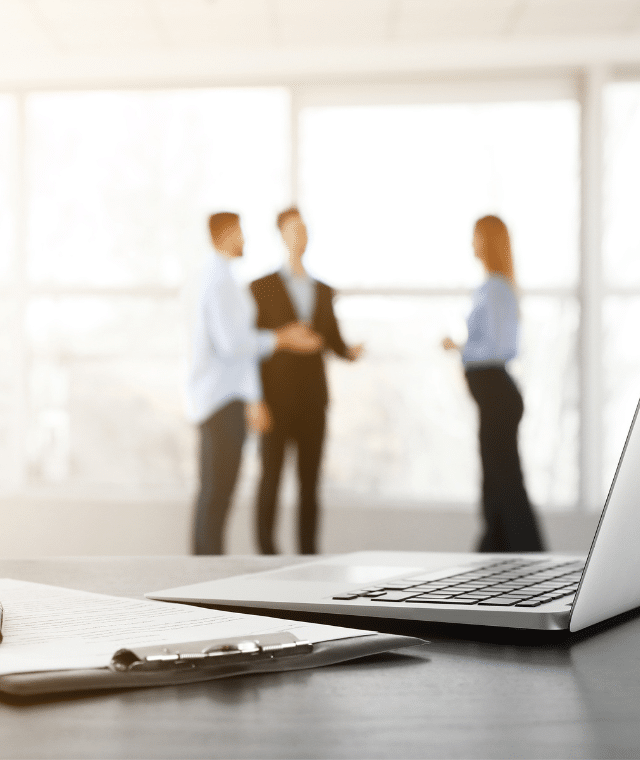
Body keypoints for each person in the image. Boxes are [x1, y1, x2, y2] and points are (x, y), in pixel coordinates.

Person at [188, 211, 322, 555]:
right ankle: (203, 578)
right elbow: (233, 344)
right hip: (221, 398)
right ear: (227, 233)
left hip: (223, 396)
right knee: (217, 493)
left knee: (216, 493)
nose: (244, 240)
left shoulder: (220, 279)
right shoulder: (218, 282)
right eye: (241, 233)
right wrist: (282, 338)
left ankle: (204, 571)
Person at [250, 207, 363, 554]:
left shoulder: (325, 291)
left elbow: (333, 342)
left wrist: (351, 351)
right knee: (270, 480)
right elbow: (251, 345)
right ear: (281, 235)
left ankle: (308, 553)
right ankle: (266, 554)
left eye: (305, 230)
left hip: (313, 400)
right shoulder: (261, 288)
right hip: (274, 399)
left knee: (310, 485)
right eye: (293, 230)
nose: (301, 236)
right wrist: (255, 400)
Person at [443, 215, 544, 553]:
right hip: (494, 399)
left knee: (505, 484)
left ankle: (523, 557)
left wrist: (459, 348)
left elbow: (502, 348)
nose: (471, 243)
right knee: (497, 483)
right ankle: (496, 553)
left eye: (475, 236)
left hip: (499, 396)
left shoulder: (496, 288)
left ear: (487, 241)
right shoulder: (491, 286)